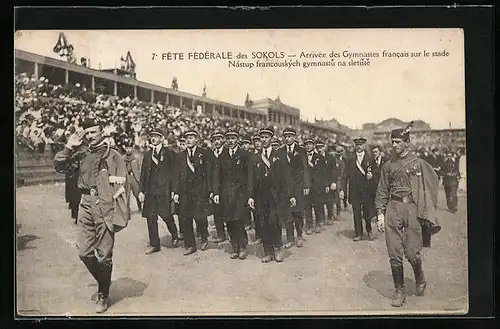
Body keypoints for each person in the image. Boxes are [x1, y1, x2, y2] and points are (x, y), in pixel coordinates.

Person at [54, 118, 130, 313]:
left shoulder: (113, 155)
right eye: (87, 133)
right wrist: (69, 147)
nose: (90, 136)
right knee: (84, 252)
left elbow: (122, 185)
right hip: (85, 203)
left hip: (105, 203)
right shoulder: (81, 154)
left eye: (93, 132)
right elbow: (59, 166)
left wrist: (117, 211)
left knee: (104, 254)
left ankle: (103, 294)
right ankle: (104, 281)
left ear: (102, 132)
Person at [375, 126, 441, 307]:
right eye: (393, 142)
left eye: (398, 142)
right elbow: (382, 190)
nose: (394, 145)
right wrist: (380, 214)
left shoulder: (418, 163)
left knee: (412, 252)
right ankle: (399, 290)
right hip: (393, 207)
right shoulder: (388, 165)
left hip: (412, 208)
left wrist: (427, 209)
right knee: (394, 250)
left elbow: (432, 183)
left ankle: (419, 276)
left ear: (406, 142)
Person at [138, 128, 179, 255]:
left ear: (161, 138)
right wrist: (141, 191)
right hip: (151, 192)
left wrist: (174, 190)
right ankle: (155, 244)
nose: (153, 138)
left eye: (156, 136)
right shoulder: (148, 155)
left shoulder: (169, 153)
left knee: (166, 216)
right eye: (152, 136)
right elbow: (143, 174)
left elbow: (174, 173)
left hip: (164, 191)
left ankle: (175, 234)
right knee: (150, 218)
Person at [248, 127, 286, 262]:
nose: (264, 140)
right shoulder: (255, 158)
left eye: (266, 137)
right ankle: (268, 252)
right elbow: (251, 179)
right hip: (260, 196)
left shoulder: (279, 155)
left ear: (272, 138)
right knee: (263, 223)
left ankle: (278, 249)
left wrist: (286, 195)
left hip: (275, 195)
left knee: (274, 222)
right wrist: (251, 196)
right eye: (262, 137)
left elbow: (284, 177)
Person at [213, 129, 251, 259]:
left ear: (237, 139)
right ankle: (235, 247)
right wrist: (216, 193)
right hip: (226, 194)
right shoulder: (222, 156)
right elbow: (217, 176)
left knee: (239, 221)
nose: (230, 141)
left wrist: (248, 194)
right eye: (228, 138)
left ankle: (242, 247)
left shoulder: (244, 154)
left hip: (240, 193)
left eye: (233, 138)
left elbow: (249, 176)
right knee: (229, 221)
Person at [175, 129, 213, 255]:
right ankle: (190, 245)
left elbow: (208, 173)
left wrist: (209, 191)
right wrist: (175, 192)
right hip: (185, 192)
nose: (188, 140)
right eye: (187, 138)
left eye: (191, 137)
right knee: (186, 218)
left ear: (197, 139)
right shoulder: (180, 156)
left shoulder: (204, 153)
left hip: (199, 191)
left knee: (200, 216)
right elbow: (177, 176)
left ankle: (203, 237)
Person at [280, 127, 311, 249]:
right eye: (285, 137)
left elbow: (305, 169)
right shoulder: (281, 151)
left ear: (294, 137)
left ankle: (299, 235)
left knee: (297, 212)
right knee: (287, 213)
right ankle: (290, 238)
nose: (287, 139)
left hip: (298, 186)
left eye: (290, 136)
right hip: (285, 187)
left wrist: (306, 185)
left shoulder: (301, 151)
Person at [343, 137, 374, 241]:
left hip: (366, 190)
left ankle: (369, 229)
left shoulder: (370, 158)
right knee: (356, 213)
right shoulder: (350, 159)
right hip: (355, 190)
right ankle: (358, 233)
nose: (359, 147)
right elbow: (345, 175)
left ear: (364, 146)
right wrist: (343, 189)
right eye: (357, 145)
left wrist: (372, 175)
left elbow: (376, 172)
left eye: (361, 145)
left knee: (367, 212)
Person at [303, 138, 327, 234]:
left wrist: (323, 185)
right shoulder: (302, 157)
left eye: (310, 144)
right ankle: (309, 226)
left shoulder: (319, 157)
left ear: (313, 146)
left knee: (317, 205)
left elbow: (322, 172)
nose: (308, 146)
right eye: (306, 144)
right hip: (306, 186)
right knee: (307, 206)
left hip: (317, 186)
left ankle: (318, 224)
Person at [208, 130, 227, 243]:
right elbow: (208, 173)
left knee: (228, 212)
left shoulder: (226, 152)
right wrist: (211, 190)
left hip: (226, 187)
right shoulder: (210, 154)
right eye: (214, 140)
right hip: (215, 187)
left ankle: (232, 234)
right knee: (217, 212)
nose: (217, 141)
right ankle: (221, 234)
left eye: (219, 139)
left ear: (223, 140)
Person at [316, 141, 339, 225]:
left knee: (329, 201)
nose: (319, 149)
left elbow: (334, 171)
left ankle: (330, 216)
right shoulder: (316, 157)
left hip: (329, 182)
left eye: (321, 147)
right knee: (320, 201)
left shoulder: (331, 158)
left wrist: (333, 182)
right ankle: (321, 218)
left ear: (325, 147)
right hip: (319, 183)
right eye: (317, 147)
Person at [122, 140, 143, 212]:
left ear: (132, 148)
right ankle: (127, 210)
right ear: (124, 148)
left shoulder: (136, 157)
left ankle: (140, 207)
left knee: (137, 193)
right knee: (126, 194)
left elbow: (140, 168)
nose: (128, 150)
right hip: (126, 177)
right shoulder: (122, 158)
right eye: (127, 148)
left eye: (129, 148)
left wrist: (139, 177)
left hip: (134, 177)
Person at [334, 145, 347, 216]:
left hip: (341, 179)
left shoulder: (344, 160)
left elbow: (344, 173)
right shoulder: (335, 160)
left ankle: (338, 211)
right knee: (335, 196)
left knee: (338, 196)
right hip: (336, 179)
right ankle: (334, 212)